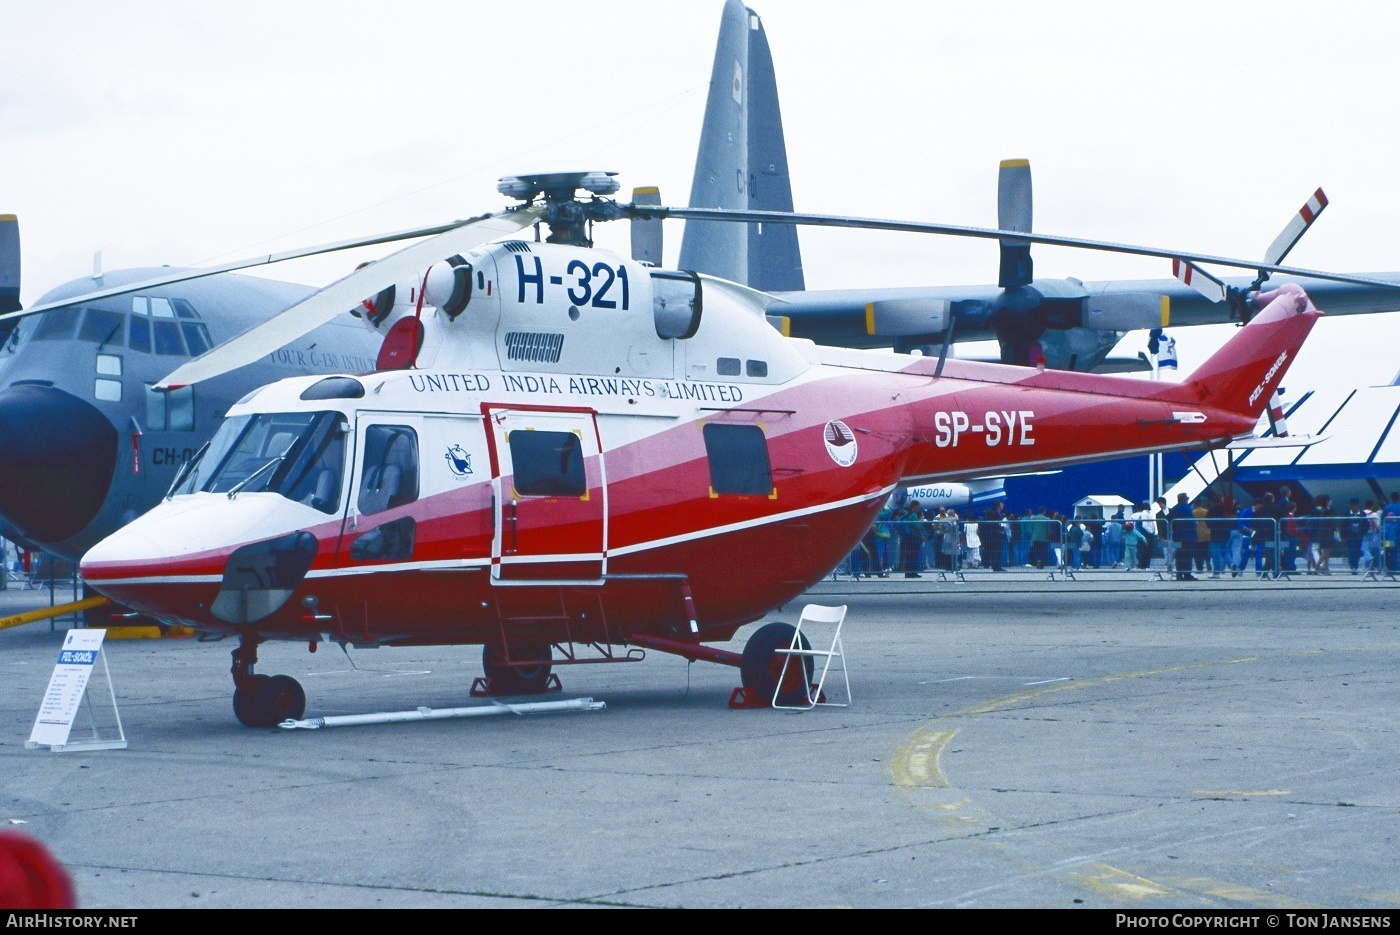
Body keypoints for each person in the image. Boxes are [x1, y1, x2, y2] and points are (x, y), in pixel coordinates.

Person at [1168, 492, 1197, 580]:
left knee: (1180, 555)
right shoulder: (1187, 508)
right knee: (1188, 555)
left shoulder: (1175, 508)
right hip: (1188, 535)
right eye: (1187, 498)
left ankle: (1179, 573)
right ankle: (1187, 574)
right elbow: (1191, 522)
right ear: (1185, 499)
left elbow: (1169, 519)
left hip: (1178, 535)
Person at [1342, 499, 1367, 574]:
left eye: (1355, 505)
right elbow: (1343, 526)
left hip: (1359, 537)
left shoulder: (1362, 514)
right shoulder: (1347, 514)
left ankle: (1355, 566)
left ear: (1358, 505)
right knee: (1351, 551)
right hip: (1350, 537)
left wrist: (1363, 532)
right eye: (1352, 505)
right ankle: (1353, 566)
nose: (1354, 507)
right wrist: (1343, 537)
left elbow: (1366, 524)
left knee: (1357, 551)